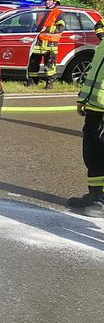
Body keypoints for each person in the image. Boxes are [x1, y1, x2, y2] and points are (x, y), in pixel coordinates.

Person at [69, 34, 104, 217]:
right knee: (92, 152)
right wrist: (83, 97)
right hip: (95, 105)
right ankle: (95, 195)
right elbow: (95, 70)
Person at [27, 0, 65, 89]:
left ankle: (49, 84)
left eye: (49, 0)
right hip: (39, 42)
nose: (47, 2)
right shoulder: (42, 11)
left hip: (50, 44)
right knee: (33, 64)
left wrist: (47, 29)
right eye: (47, 0)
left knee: (50, 66)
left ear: (55, 1)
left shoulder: (59, 13)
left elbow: (60, 28)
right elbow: (36, 25)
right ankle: (32, 83)